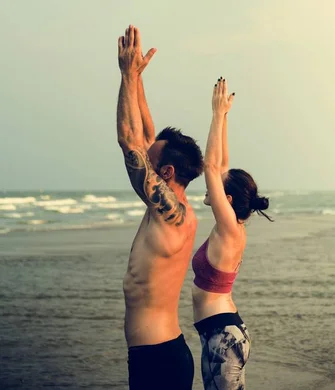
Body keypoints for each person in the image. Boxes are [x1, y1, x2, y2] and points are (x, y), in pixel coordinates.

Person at [117, 24, 202, 390]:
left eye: (154, 166)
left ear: (165, 173)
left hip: (157, 358)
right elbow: (148, 141)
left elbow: (130, 143)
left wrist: (123, 75)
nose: (146, 167)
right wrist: (136, 81)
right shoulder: (176, 209)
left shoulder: (168, 216)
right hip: (163, 352)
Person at [192, 77, 272, 390]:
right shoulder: (231, 227)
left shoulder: (229, 228)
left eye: (217, 187)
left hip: (222, 337)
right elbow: (220, 166)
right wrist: (224, 117)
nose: (208, 184)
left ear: (228, 201)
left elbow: (212, 168)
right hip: (220, 333)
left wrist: (214, 113)